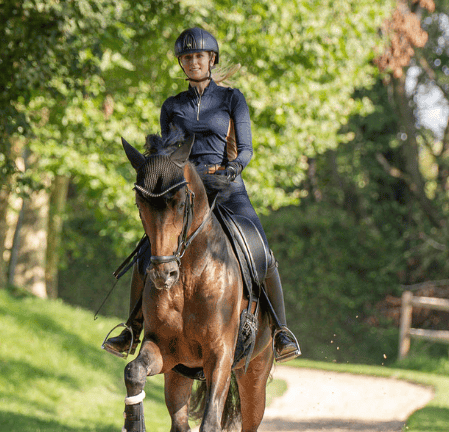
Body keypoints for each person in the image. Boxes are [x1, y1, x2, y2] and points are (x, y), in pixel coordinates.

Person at [102, 26, 301, 363]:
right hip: (183, 190)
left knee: (261, 250)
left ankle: (281, 331)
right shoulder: (171, 106)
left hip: (225, 185)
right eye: (187, 57)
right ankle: (133, 329)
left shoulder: (231, 99)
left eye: (199, 56)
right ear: (181, 63)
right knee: (147, 252)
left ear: (211, 59)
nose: (193, 62)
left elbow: (248, 149)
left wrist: (234, 168)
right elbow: (167, 153)